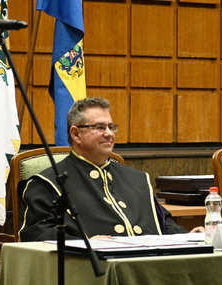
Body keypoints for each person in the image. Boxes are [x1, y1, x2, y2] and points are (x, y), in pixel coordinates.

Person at [19, 97, 196, 241]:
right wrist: (82, 244)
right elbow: (35, 234)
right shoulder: (48, 183)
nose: (109, 133)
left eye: (111, 127)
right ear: (76, 134)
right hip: (91, 268)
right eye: (99, 127)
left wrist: (188, 236)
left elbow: (163, 222)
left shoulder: (138, 179)